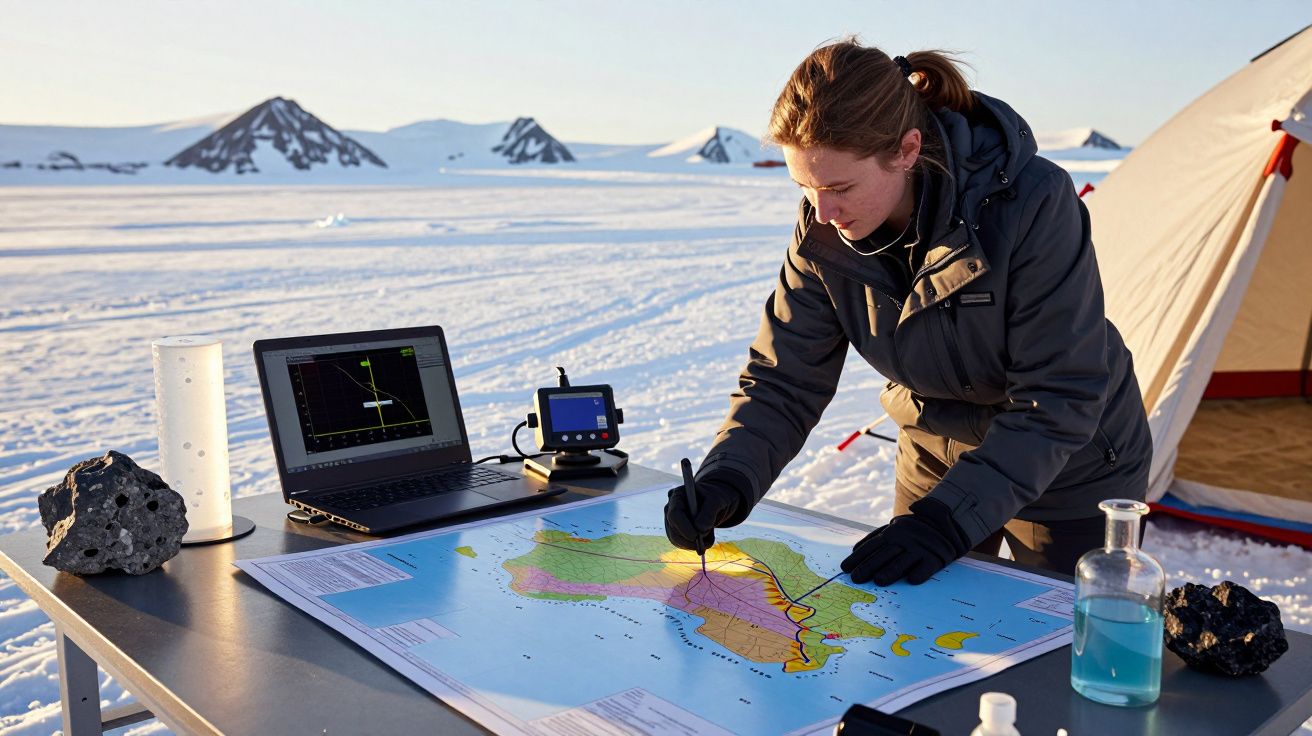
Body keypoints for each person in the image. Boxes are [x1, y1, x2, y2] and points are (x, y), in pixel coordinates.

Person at [664, 39, 1152, 585]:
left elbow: (1060, 393)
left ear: (907, 150)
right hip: (933, 456)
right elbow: (785, 380)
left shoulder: (1032, 204)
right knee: (927, 640)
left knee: (1060, 651)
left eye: (838, 187)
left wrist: (945, 522)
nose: (821, 213)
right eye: (804, 187)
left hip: (1068, 468)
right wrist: (727, 478)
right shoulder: (821, 237)